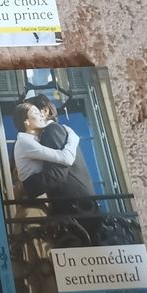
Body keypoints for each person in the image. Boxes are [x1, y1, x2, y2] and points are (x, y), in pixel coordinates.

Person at [23, 95, 99, 240]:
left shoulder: (51, 131)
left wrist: (27, 187)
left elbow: (56, 173)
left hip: (76, 210)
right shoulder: (54, 132)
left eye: (28, 113)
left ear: (45, 111)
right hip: (78, 209)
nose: (25, 120)